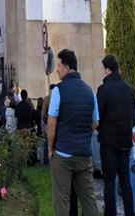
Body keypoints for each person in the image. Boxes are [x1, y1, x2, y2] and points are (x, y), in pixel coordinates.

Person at [46, 48, 99, 216]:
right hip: (84, 153)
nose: (57, 69)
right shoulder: (90, 91)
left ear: (67, 68)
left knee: (62, 200)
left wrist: (49, 148)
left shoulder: (58, 91)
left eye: (59, 65)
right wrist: (83, 135)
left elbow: (52, 122)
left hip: (63, 153)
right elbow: (95, 122)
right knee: (88, 199)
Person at [97, 54, 135, 216]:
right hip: (125, 141)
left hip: (108, 142)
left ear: (107, 69)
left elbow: (98, 117)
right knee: (125, 180)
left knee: (109, 183)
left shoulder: (104, 89)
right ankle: (130, 212)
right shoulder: (128, 88)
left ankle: (111, 213)